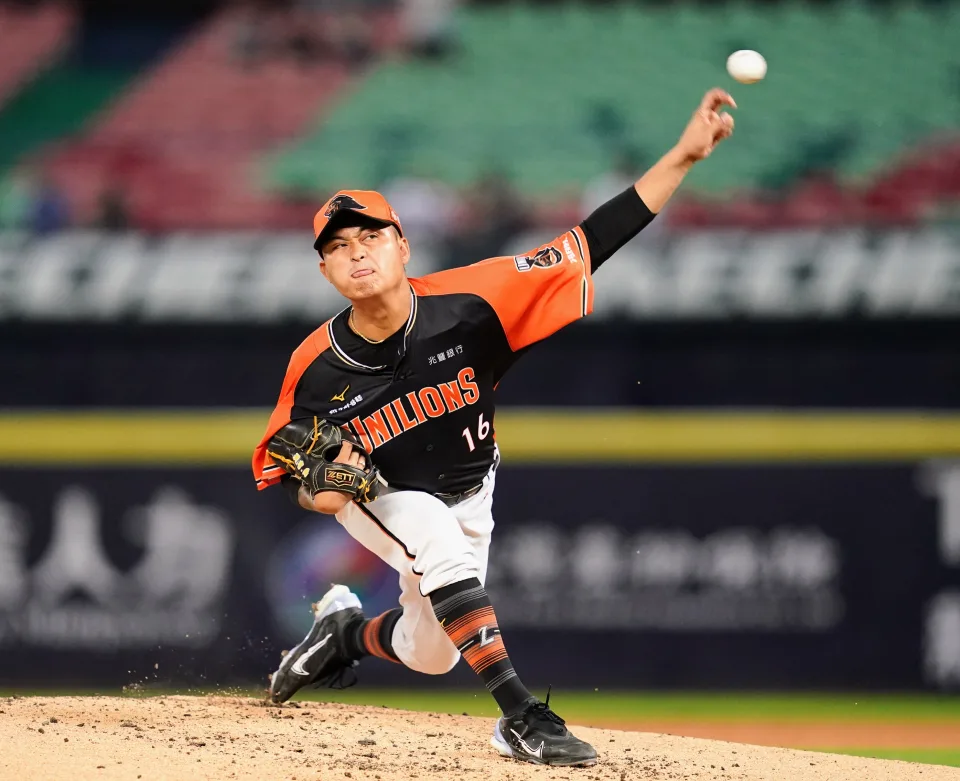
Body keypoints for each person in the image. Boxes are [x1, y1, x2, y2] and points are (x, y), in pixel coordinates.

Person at [252, 88, 736, 767]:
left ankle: (344, 633)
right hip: (384, 492)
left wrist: (682, 157)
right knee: (432, 536)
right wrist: (321, 492)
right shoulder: (315, 365)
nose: (357, 253)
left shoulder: (474, 302)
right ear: (325, 269)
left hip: (472, 487)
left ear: (403, 245)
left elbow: (589, 244)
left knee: (431, 651)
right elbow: (289, 470)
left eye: (371, 237)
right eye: (339, 246)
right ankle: (522, 717)